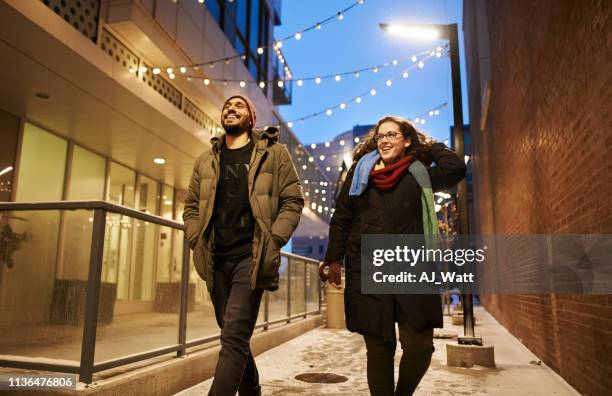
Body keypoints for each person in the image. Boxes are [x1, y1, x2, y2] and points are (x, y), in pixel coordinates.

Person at [320, 116, 466, 396]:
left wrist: (430, 144)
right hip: (368, 266)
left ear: (407, 140)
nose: (384, 140)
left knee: (420, 345)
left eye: (392, 135)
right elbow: (342, 217)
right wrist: (334, 259)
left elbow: (455, 167)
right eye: (380, 136)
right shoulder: (360, 173)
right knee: (379, 349)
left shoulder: (419, 172)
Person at [183, 95, 304, 396]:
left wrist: (274, 240)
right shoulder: (205, 160)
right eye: (226, 106)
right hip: (214, 258)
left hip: (251, 256)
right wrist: (196, 238)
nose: (231, 109)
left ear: (251, 118)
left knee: (234, 336)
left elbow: (293, 201)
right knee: (232, 335)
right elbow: (191, 208)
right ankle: (252, 390)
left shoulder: (274, 154)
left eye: (239, 106)